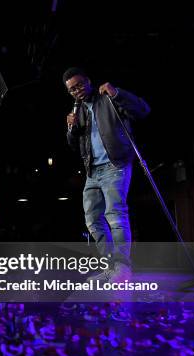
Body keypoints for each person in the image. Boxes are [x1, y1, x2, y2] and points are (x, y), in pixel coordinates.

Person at [63, 67, 150, 282]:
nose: (77, 91)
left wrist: (117, 94)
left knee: (116, 215)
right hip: (92, 171)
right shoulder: (79, 110)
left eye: (79, 85)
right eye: (72, 90)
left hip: (115, 165)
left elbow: (142, 110)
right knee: (92, 220)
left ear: (88, 81)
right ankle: (110, 267)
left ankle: (123, 268)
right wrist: (70, 128)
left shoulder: (107, 99)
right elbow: (73, 145)